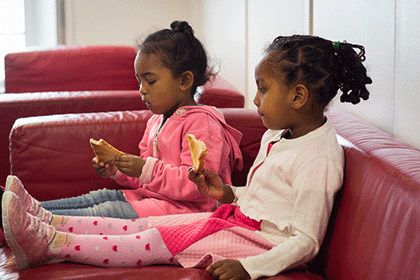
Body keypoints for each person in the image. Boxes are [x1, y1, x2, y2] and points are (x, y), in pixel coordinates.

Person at [2, 35, 372, 279]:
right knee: (139, 228)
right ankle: (45, 226)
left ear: (298, 96)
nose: (255, 99)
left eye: (262, 89)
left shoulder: (320, 157)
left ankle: (50, 243)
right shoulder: (280, 135)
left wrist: (250, 267)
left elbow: (306, 239)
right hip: (234, 219)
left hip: (257, 243)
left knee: (146, 240)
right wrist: (227, 193)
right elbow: (268, 198)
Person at [0, 20, 243, 223]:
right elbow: (144, 179)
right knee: (98, 197)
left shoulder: (203, 124)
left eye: (150, 81)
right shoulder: (156, 120)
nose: (142, 90)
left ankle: (24, 220)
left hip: (185, 213)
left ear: (185, 80)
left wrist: (144, 168)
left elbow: (197, 186)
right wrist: (118, 170)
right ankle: (23, 207)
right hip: (149, 200)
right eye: (139, 81)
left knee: (104, 212)